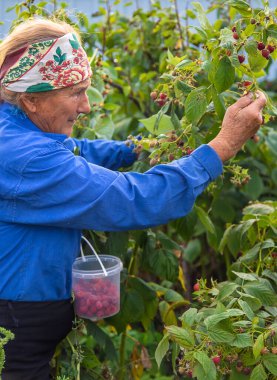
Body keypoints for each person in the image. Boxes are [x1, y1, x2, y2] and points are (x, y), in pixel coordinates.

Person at [0, 18, 266, 379]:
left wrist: (138, 149)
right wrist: (222, 147)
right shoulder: (27, 159)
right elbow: (131, 199)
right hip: (14, 338)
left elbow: (77, 149)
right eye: (75, 93)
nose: (86, 107)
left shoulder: (14, 128)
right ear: (31, 99)